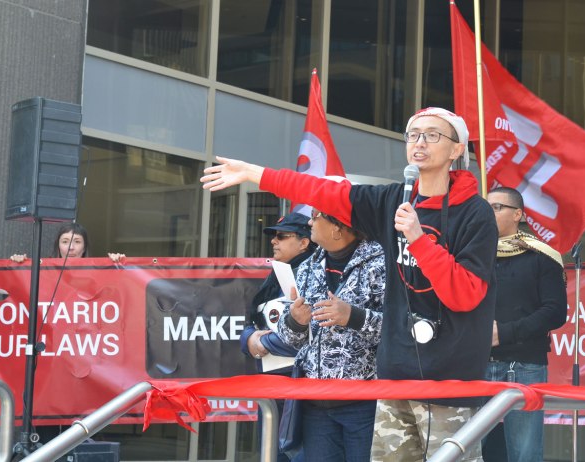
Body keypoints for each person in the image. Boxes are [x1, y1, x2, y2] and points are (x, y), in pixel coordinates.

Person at [201, 107, 498, 461]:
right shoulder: (393, 199)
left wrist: (418, 239)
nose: (420, 142)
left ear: (456, 149)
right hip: (394, 377)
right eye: (413, 134)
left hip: (450, 381)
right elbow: (323, 191)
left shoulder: (476, 213)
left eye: (433, 135)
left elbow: (465, 295)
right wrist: (255, 174)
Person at [277, 203, 385, 462]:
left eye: (315, 216)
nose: (310, 223)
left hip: (366, 403)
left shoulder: (382, 264)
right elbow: (289, 338)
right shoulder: (307, 267)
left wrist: (353, 317)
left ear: (338, 226)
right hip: (316, 403)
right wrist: (295, 321)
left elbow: (402, 330)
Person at [481, 187, 567, 462]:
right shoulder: (473, 253)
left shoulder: (542, 255)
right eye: (485, 207)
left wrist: (503, 333)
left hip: (524, 365)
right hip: (475, 363)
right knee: (472, 450)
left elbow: (555, 313)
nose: (488, 212)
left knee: (524, 453)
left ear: (517, 214)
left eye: (496, 207)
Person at [239, 212, 315, 462]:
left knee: (297, 454)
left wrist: (262, 342)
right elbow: (253, 321)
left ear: (305, 242)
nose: (274, 241)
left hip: (301, 384)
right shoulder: (279, 273)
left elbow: (313, 334)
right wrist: (250, 339)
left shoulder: (313, 272)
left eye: (282, 236)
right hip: (273, 384)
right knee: (273, 454)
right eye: (274, 236)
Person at [10, 222, 125, 263]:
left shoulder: (98, 272)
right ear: (58, 246)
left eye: (77, 241)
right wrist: (18, 266)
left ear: (84, 248)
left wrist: (119, 264)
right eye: (65, 242)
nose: (71, 247)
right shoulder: (41, 271)